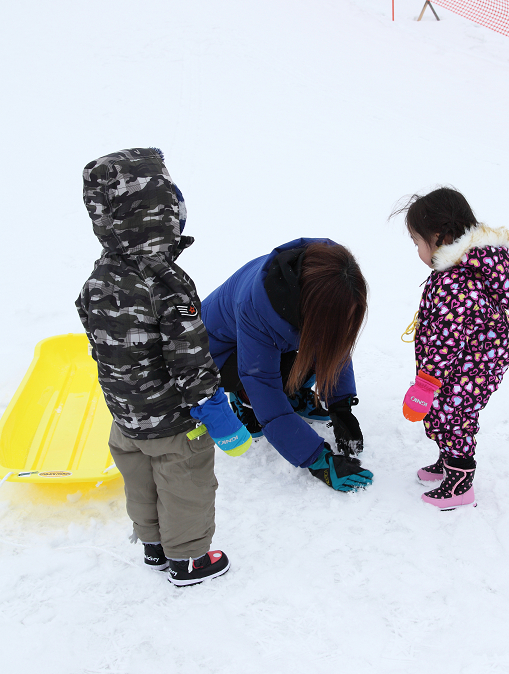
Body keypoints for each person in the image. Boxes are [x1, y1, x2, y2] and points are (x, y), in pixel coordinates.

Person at [76, 147, 250, 586]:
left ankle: (153, 545)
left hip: (125, 415)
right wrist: (215, 410)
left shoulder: (100, 275)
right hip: (172, 418)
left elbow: (92, 330)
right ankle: (188, 559)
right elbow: (189, 355)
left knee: (140, 481)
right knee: (183, 480)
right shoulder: (167, 282)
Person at [201, 239, 374, 492]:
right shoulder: (256, 309)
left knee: (319, 343)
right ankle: (243, 399)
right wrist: (318, 460)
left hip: (269, 333)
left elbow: (334, 342)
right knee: (264, 382)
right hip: (218, 354)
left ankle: (292, 395)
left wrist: (341, 406)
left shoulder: (327, 275)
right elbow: (263, 387)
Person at [399, 188, 509, 509]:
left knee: (453, 415)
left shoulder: (455, 282)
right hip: (477, 355)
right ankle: (449, 461)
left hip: (471, 361)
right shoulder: (467, 266)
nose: (417, 250)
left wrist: (426, 384)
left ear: (439, 237)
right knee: (446, 410)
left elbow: (445, 341)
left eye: (417, 242)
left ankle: (459, 482)